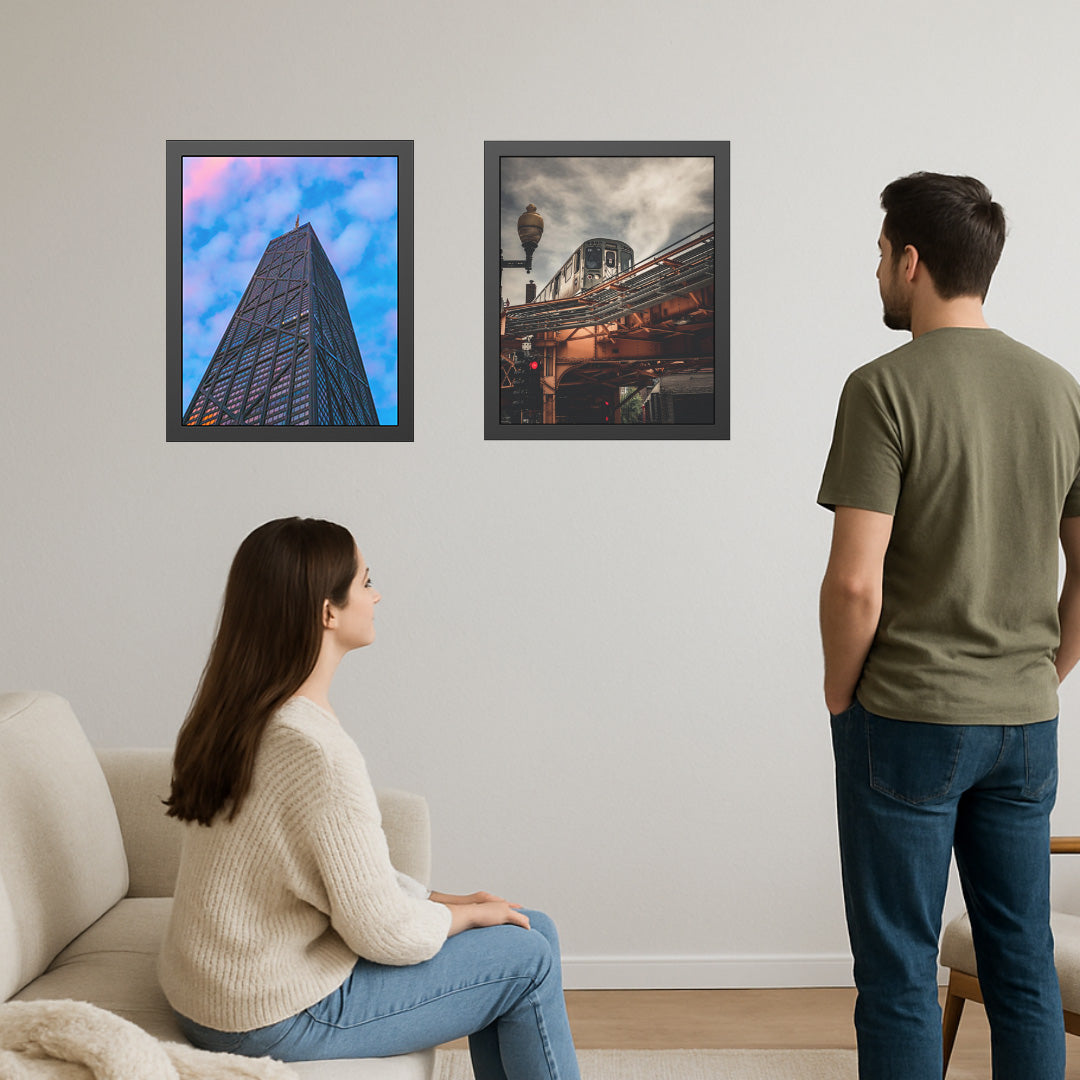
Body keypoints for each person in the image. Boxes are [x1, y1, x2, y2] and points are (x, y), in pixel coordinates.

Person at [817, 172, 1080, 1079]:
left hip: (909, 720)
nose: (878, 271)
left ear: (912, 260)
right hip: (1024, 723)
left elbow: (855, 585)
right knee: (1021, 965)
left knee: (897, 968)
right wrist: (1044, 675)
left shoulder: (882, 389)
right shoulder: (1058, 390)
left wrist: (840, 691)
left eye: (882, 255)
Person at [159, 517, 581, 1079]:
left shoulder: (241, 715)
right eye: (365, 582)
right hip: (266, 1013)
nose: (377, 595)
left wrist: (448, 900)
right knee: (527, 959)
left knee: (534, 926)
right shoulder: (315, 751)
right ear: (327, 611)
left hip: (217, 989)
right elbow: (382, 933)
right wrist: (465, 917)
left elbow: (341, 876)